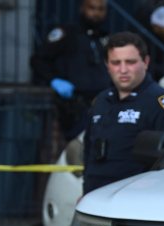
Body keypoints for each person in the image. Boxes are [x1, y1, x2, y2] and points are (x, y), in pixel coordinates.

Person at [83, 32, 164, 195]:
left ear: (145, 62)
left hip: (135, 201)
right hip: (95, 196)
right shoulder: (101, 101)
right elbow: (89, 152)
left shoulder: (161, 104)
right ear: (107, 64)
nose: (123, 69)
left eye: (130, 62)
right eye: (116, 63)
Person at [31, 0, 112, 141]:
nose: (96, 13)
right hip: (75, 105)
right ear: (82, 8)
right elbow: (38, 60)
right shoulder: (66, 34)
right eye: (92, 8)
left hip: (102, 103)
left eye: (101, 9)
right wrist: (54, 80)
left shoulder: (104, 37)